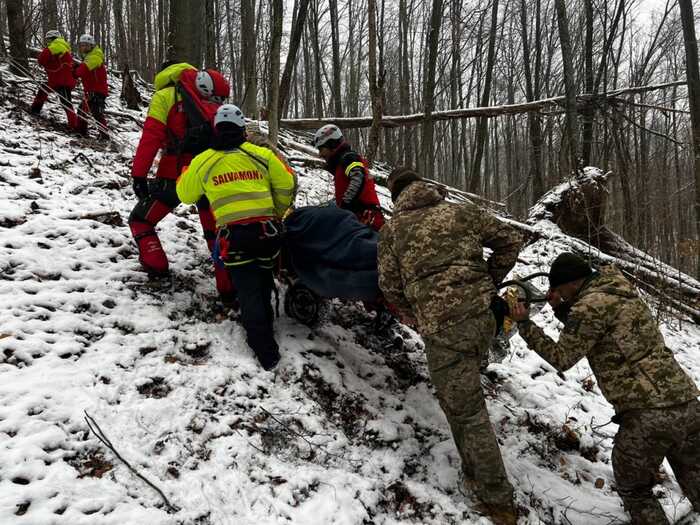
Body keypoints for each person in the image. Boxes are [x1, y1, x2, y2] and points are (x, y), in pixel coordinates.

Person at [377, 167, 524, 525]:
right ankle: (475, 471)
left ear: (396, 196)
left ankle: (498, 501)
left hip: (444, 330)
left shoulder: (393, 231)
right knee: (462, 396)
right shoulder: (461, 211)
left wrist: (417, 312)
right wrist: (487, 282)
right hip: (484, 319)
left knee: (468, 412)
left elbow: (389, 287)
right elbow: (510, 240)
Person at [511, 253, 699, 525]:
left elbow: (563, 357)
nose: (558, 294)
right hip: (687, 402)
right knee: (696, 476)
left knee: (634, 487)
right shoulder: (621, 289)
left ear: (572, 284)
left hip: (648, 414)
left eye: (560, 290)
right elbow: (596, 328)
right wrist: (560, 308)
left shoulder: (587, 308)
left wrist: (525, 324)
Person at [177, 104, 295, 370]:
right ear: (242, 129)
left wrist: (187, 169)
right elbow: (287, 184)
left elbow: (185, 195)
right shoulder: (261, 155)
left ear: (216, 128)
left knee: (249, 290)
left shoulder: (203, 160)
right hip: (267, 234)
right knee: (263, 282)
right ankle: (266, 331)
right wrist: (275, 213)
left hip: (235, 238)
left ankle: (265, 351)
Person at [128, 62, 236, 305]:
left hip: (175, 173)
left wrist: (139, 175)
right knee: (215, 233)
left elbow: (151, 136)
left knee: (140, 219)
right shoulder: (207, 93)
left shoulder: (165, 96)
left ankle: (157, 267)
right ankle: (229, 290)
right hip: (211, 171)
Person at [311, 124, 384, 230]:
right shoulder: (342, 161)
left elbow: (358, 177)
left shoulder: (349, 158)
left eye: (321, 149)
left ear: (331, 144)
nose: (320, 154)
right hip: (360, 218)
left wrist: (345, 206)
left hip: (366, 219)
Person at [30, 30, 78, 130]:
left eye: (48, 40)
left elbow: (42, 59)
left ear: (52, 39)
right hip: (58, 80)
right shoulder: (63, 47)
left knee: (66, 103)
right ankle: (35, 110)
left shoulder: (54, 46)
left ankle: (74, 126)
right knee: (44, 89)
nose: (47, 42)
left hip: (62, 82)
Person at [73, 34, 108, 138]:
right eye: (82, 45)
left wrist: (74, 72)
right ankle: (81, 133)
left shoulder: (95, 56)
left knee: (97, 114)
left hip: (97, 92)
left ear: (92, 46)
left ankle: (105, 136)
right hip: (90, 91)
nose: (84, 47)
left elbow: (83, 69)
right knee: (82, 111)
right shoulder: (89, 57)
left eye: (86, 45)